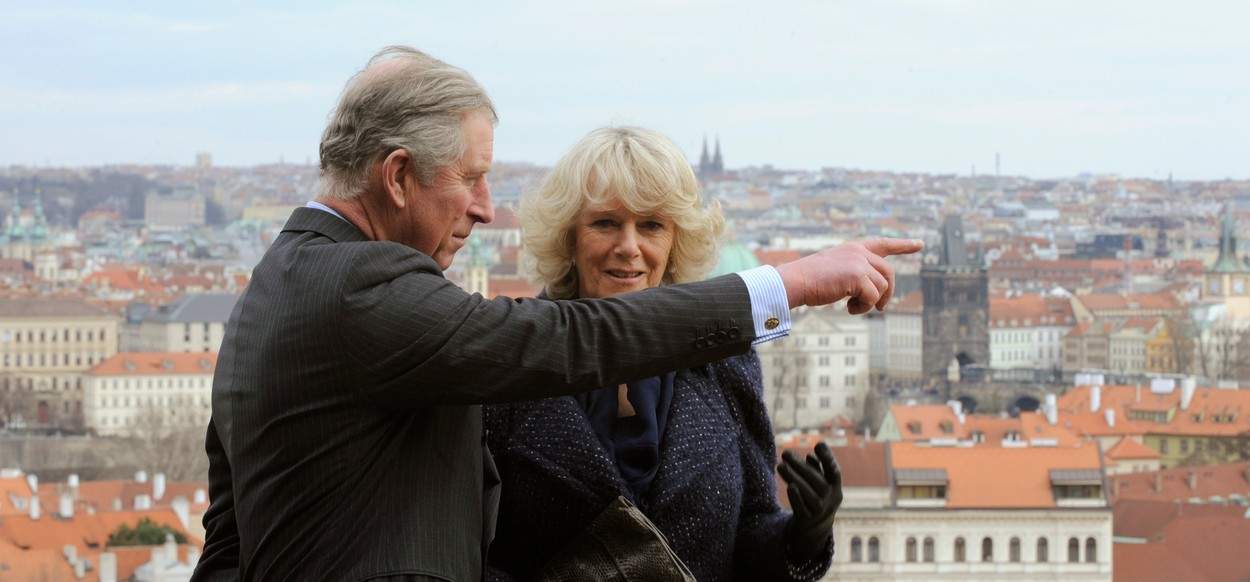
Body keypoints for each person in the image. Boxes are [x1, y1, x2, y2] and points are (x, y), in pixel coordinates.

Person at [192, 45, 921, 582]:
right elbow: (570, 342)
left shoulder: (282, 279)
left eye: (653, 226)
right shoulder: (365, 287)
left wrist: (802, 536)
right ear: (399, 176)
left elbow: (230, 541)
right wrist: (789, 283)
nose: (484, 205)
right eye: (473, 177)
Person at [483, 127, 838, 581]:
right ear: (569, 237)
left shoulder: (725, 363)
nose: (629, 247)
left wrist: (802, 537)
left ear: (675, 244)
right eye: (605, 223)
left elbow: (749, 533)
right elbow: (471, 551)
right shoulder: (512, 357)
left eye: (651, 225)